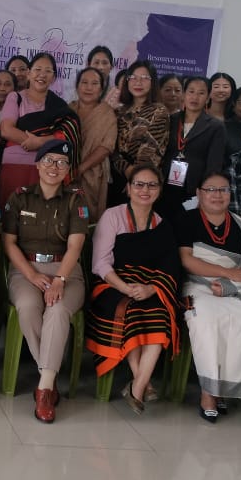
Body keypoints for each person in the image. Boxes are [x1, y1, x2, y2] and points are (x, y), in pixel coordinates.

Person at [3, 139, 90, 423]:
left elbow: (75, 247)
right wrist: (32, 275)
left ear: (68, 169)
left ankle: (43, 388)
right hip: (25, 268)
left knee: (58, 309)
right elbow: (9, 243)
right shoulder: (19, 197)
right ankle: (49, 376)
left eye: (62, 163)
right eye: (49, 161)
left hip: (66, 269)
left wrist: (59, 279)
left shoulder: (76, 200)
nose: (55, 167)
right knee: (28, 306)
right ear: (38, 164)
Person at [177, 172, 241, 423]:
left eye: (223, 190)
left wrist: (231, 284)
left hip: (235, 287)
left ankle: (223, 389)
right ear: (199, 193)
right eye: (210, 189)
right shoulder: (186, 220)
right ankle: (209, 393)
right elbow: (187, 260)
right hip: (198, 285)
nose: (217, 195)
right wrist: (225, 272)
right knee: (208, 321)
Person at [87, 163, 181, 415]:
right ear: (128, 189)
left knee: (160, 317)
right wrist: (125, 288)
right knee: (131, 312)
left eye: (152, 185)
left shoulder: (162, 225)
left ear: (159, 191)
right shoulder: (112, 216)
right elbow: (100, 263)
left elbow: (170, 267)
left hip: (148, 286)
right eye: (139, 184)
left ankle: (137, 387)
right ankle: (142, 381)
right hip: (112, 284)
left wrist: (151, 288)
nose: (145, 190)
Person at [0, 53, 79, 203]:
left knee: (39, 217)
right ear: (29, 73)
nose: (42, 75)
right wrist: (36, 142)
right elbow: (6, 130)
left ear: (53, 78)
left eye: (48, 71)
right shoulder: (15, 97)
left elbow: (67, 135)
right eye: (38, 69)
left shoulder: (59, 106)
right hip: (15, 166)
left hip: (47, 169)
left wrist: (40, 143)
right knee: (11, 216)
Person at [157, 76, 226, 218]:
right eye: (191, 91)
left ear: (208, 98)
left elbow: (214, 164)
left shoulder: (215, 126)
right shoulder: (171, 120)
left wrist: (206, 192)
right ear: (183, 95)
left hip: (193, 187)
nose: (195, 97)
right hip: (165, 183)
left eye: (201, 93)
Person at [110, 60, 170, 206]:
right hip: (117, 174)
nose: (138, 82)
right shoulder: (120, 111)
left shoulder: (159, 111)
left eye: (144, 78)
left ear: (153, 82)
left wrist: (136, 178)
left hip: (143, 180)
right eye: (133, 77)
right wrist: (126, 169)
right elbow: (111, 147)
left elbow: (151, 149)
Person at [69, 67, 117, 211]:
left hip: (93, 175)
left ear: (102, 89)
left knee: (88, 218)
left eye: (94, 83)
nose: (88, 87)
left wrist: (81, 169)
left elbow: (106, 147)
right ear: (77, 86)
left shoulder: (107, 113)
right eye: (84, 82)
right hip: (65, 173)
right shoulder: (68, 109)